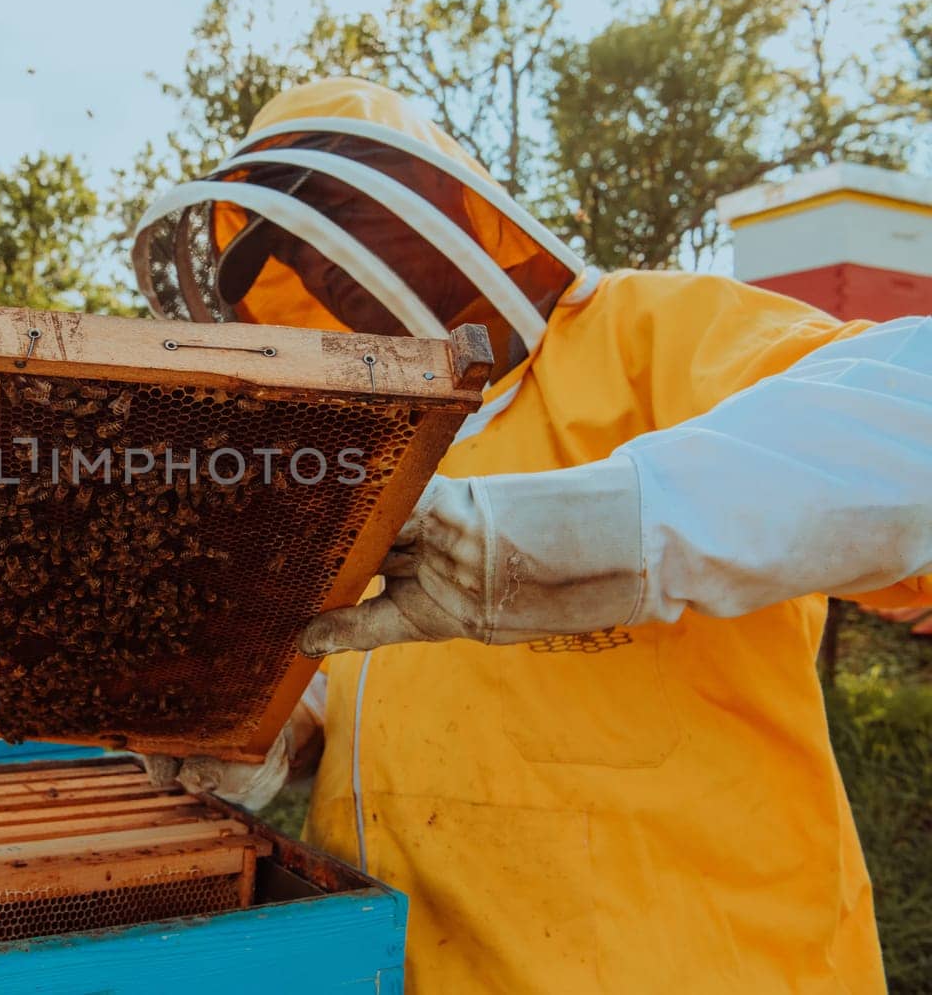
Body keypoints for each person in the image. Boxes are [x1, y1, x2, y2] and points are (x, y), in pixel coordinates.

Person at [131, 77, 932, 993]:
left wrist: (602, 526)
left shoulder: (653, 336)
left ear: (447, 199)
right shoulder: (360, 462)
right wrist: (266, 727)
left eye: (340, 211)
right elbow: (368, 669)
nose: (323, 266)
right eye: (289, 256)